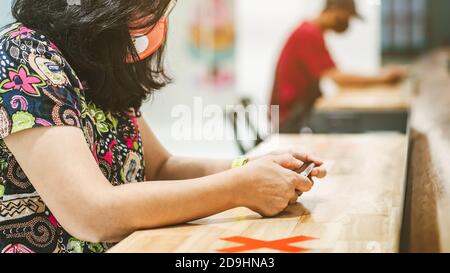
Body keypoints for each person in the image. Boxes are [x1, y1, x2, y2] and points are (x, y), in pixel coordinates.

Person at [0, 0, 326, 253]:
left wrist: (248, 166)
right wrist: (239, 187)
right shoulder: (23, 55)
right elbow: (92, 212)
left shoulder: (94, 65)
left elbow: (158, 167)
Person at [270, 0, 406, 133]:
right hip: (289, 117)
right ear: (333, 10)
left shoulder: (312, 32)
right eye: (346, 16)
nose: (348, 22)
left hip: (296, 113)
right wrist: (382, 79)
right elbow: (338, 78)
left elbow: (334, 74)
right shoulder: (307, 34)